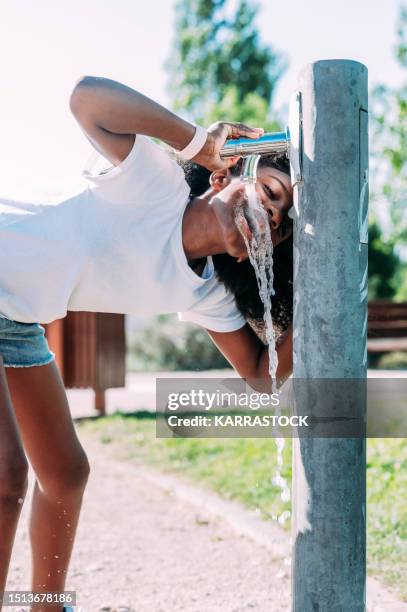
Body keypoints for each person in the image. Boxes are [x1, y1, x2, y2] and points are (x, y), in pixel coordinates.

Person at [0, 76, 293, 611]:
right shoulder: (155, 182)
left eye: (278, 225)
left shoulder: (204, 287)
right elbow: (86, 98)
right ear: (228, 176)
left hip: (16, 320)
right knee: (6, 474)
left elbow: (262, 376)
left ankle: (43, 606)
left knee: (65, 475)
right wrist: (197, 141)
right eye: (270, 193)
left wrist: (326, 286)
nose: (271, 216)